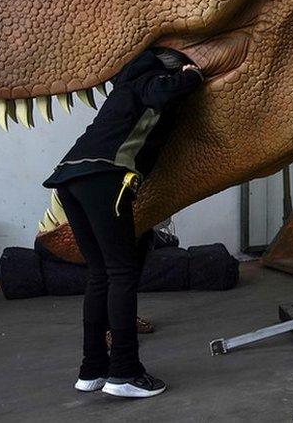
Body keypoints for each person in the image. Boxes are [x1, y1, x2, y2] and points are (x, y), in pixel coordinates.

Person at [43, 48, 204, 397]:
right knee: (121, 272)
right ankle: (125, 372)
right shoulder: (152, 80)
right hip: (106, 176)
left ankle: (92, 370)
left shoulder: (122, 90)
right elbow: (167, 92)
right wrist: (191, 75)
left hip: (70, 179)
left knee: (100, 274)